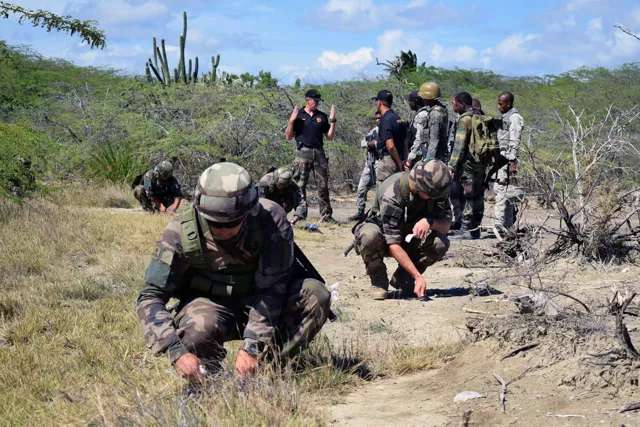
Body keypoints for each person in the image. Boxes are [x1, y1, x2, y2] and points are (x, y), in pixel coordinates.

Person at [136, 162, 331, 384]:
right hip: (212, 305)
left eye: (233, 222)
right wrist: (175, 350)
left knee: (316, 295)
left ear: (250, 210)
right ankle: (208, 376)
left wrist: (253, 346)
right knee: (196, 332)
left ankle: (269, 368)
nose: (224, 230)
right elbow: (150, 296)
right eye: (214, 223)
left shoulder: (271, 221)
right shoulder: (179, 231)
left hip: (263, 302)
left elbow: (273, 288)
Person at [354, 159, 452, 300]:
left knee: (440, 242)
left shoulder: (438, 189)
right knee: (368, 235)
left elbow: (446, 226)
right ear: (421, 187)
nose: (437, 198)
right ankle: (378, 279)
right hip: (384, 239)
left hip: (408, 238)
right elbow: (393, 244)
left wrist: (430, 222)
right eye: (433, 195)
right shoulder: (392, 194)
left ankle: (403, 277)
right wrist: (418, 277)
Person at [285, 89, 337, 224]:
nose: (317, 104)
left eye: (319, 101)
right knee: (300, 185)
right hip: (303, 152)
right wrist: (291, 121)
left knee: (323, 185)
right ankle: (300, 214)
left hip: (318, 152)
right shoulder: (299, 115)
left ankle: (326, 215)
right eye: (315, 101)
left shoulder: (322, 116)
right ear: (307, 100)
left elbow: (330, 137)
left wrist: (333, 121)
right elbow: (289, 137)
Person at [449, 92, 486, 240]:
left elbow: (459, 146)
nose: (453, 106)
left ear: (461, 104)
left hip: (467, 164)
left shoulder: (465, 119)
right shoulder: (480, 115)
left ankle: (466, 230)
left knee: (466, 196)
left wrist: (451, 166)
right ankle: (476, 229)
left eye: (454, 103)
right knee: (478, 195)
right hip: (481, 163)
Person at [494, 91, 524, 235]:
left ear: (509, 103)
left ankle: (500, 225)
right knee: (503, 192)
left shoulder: (514, 117)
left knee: (502, 191)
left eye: (501, 104)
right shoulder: (506, 117)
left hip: (507, 160)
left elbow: (515, 140)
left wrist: (512, 161)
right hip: (502, 159)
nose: (499, 106)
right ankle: (507, 225)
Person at [405, 82, 449, 170]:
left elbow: (434, 139)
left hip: (435, 157)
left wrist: (428, 162)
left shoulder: (435, 114)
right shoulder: (439, 109)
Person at [348, 112, 381, 222]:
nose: (377, 120)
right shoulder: (373, 130)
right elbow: (363, 142)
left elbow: (383, 144)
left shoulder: (386, 129)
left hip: (380, 162)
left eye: (379, 118)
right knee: (361, 189)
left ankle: (378, 214)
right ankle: (360, 212)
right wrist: (369, 144)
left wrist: (374, 143)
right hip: (369, 163)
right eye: (376, 118)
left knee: (380, 190)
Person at [373, 89, 407, 184]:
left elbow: (390, 145)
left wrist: (398, 162)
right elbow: (404, 143)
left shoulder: (385, 119)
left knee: (384, 192)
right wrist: (403, 160)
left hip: (389, 162)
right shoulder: (399, 119)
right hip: (400, 158)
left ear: (379, 102)